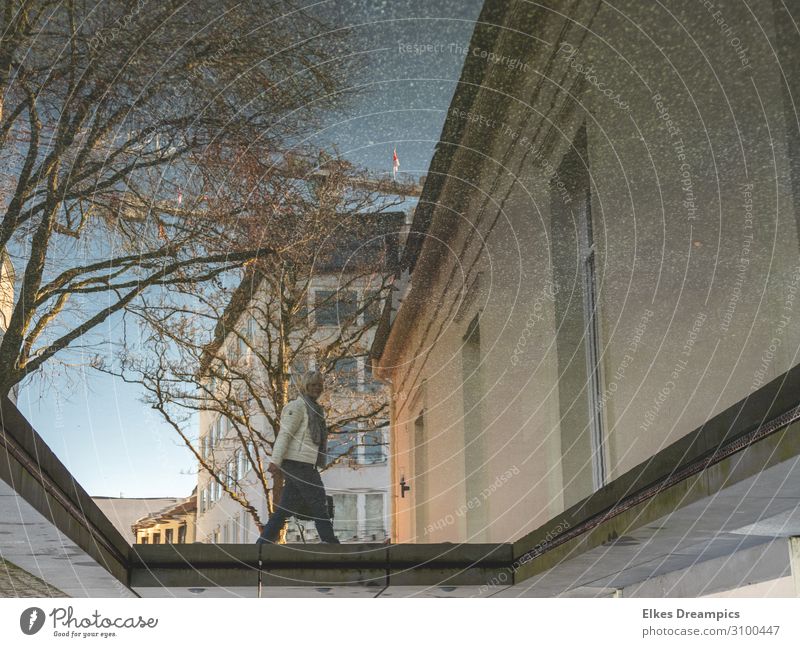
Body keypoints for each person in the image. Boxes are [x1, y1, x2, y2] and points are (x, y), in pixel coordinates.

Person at [256, 370, 340, 544]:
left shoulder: (316, 410)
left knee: (284, 510)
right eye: (313, 385)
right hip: (297, 464)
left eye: (319, 385)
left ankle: (262, 543)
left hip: (306, 464)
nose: (317, 388)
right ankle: (330, 542)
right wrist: (275, 461)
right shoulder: (298, 406)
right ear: (306, 386)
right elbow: (285, 434)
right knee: (319, 500)